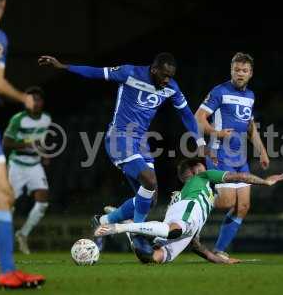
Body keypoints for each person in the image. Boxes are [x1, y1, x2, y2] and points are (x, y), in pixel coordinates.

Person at [38, 53, 206, 227]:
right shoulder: (129, 73)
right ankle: (137, 229)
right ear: (154, 69)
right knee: (150, 181)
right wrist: (64, 66)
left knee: (151, 199)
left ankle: (103, 221)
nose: (166, 80)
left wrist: (200, 142)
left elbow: (186, 115)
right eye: (164, 75)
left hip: (141, 142)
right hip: (119, 138)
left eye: (170, 76)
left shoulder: (172, 87)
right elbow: (96, 72)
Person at [0, 0, 44, 288]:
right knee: (3, 198)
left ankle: (7, 271)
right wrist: (24, 98)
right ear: (2, 3)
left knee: (4, 196)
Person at [94, 158, 283, 264]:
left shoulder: (197, 192)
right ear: (195, 171)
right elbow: (239, 176)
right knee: (175, 229)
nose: (207, 166)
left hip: (184, 220)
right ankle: (119, 227)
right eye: (202, 164)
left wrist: (222, 261)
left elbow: (196, 247)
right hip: (184, 214)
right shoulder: (203, 176)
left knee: (150, 258)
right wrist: (265, 181)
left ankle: (130, 227)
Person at [195, 52, 270, 257]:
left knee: (243, 206)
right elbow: (198, 118)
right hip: (219, 154)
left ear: (251, 73)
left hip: (240, 158)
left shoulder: (250, 96)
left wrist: (262, 151)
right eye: (237, 70)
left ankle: (219, 250)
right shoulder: (219, 91)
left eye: (244, 71)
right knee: (227, 202)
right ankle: (188, 203)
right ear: (231, 70)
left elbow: (250, 126)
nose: (240, 74)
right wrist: (216, 133)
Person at [3, 86, 51, 254]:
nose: (34, 103)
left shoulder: (46, 119)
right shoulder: (18, 119)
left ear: (42, 102)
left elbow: (41, 141)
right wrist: (27, 144)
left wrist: (44, 154)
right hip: (17, 165)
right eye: (31, 100)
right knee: (9, 205)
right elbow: (6, 143)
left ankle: (23, 234)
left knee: (43, 201)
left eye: (37, 99)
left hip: (34, 164)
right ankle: (1, 242)